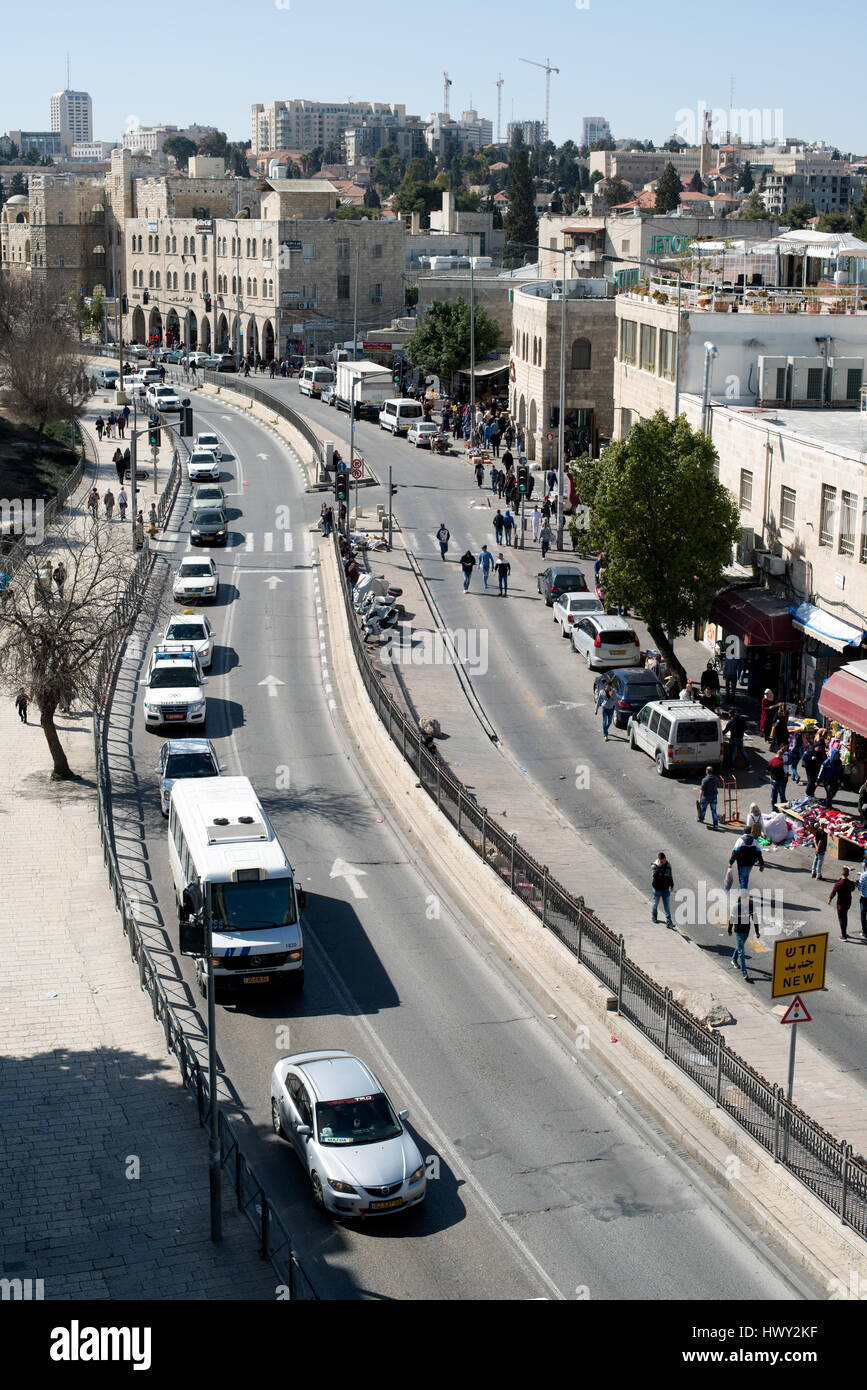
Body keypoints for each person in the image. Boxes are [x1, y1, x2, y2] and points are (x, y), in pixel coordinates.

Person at [728, 891, 760, 982]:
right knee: (741, 951)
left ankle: (734, 959)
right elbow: (732, 919)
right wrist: (729, 930)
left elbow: (755, 919)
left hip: (746, 930)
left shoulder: (751, 906)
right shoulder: (736, 908)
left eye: (747, 899)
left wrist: (757, 932)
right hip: (738, 931)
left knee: (739, 947)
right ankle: (744, 972)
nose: (746, 901)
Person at [829, 868, 854, 940]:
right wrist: (852, 882)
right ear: (848, 874)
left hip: (840, 905)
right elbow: (852, 889)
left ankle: (844, 936)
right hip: (848, 903)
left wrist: (830, 899)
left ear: (841, 874)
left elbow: (833, 892)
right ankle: (845, 932)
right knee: (845, 917)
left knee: (841, 919)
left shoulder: (838, 884)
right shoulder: (850, 883)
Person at [651, 852, 674, 926]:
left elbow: (670, 876)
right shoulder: (654, 866)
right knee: (655, 904)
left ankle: (669, 921)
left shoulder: (668, 865)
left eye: (664, 860)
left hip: (665, 889)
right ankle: (654, 916)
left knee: (667, 906)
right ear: (659, 860)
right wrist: (658, 867)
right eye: (662, 861)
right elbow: (655, 877)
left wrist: (671, 885)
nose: (664, 862)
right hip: (657, 889)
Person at [857, 861, 867, 939]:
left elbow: (860, 888)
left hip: (864, 898)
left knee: (863, 915)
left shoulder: (863, 876)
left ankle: (864, 931)